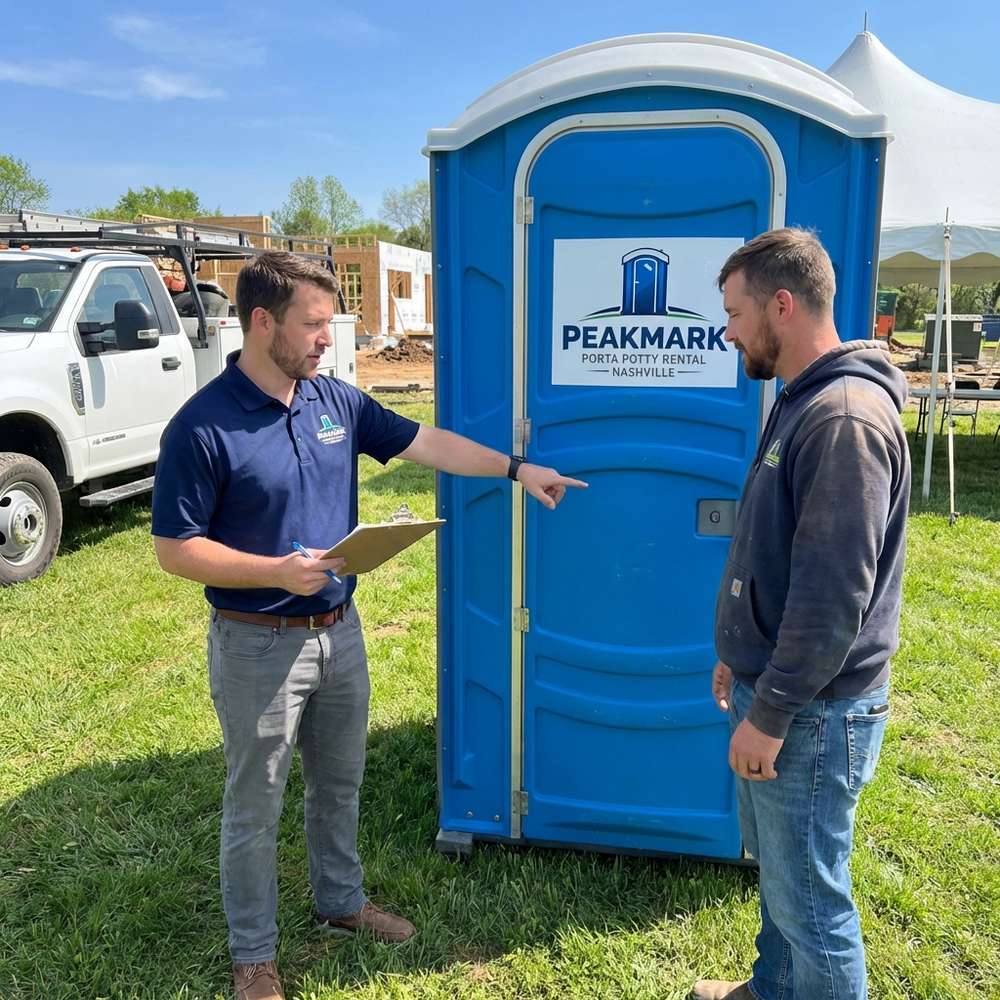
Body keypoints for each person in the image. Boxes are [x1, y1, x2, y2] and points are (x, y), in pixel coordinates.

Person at [151, 251, 587, 1000]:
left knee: (340, 782)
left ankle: (341, 903)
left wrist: (517, 470)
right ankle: (253, 955)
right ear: (262, 323)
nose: (327, 339)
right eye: (313, 325)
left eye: (330, 324)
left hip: (339, 631)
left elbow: (427, 443)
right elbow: (174, 549)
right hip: (257, 643)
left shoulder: (334, 402)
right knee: (256, 801)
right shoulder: (203, 426)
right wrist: (275, 573)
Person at [690, 229, 910, 1000]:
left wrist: (773, 708)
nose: (727, 331)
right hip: (782, 688)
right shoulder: (803, 399)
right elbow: (779, 557)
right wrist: (741, 652)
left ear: (781, 306)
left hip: (813, 713)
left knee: (813, 903)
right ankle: (770, 990)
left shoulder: (842, 419)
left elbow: (832, 598)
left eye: (734, 312)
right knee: (785, 882)